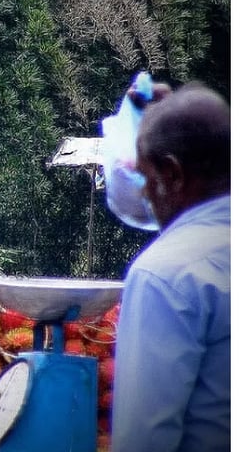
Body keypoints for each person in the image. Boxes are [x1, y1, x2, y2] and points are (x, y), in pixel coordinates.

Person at [111, 82, 230, 451]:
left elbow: (143, 440)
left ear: (173, 174)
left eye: (147, 178)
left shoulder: (165, 274)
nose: (144, 193)